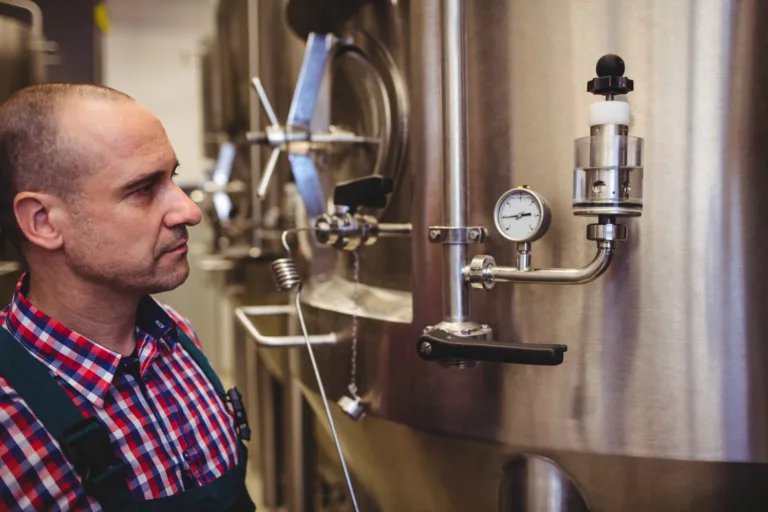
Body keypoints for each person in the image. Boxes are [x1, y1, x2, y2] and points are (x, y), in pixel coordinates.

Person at [0, 83, 254, 511]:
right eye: (142, 189)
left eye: (172, 177)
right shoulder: (9, 425)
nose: (189, 211)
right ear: (43, 221)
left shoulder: (177, 338)